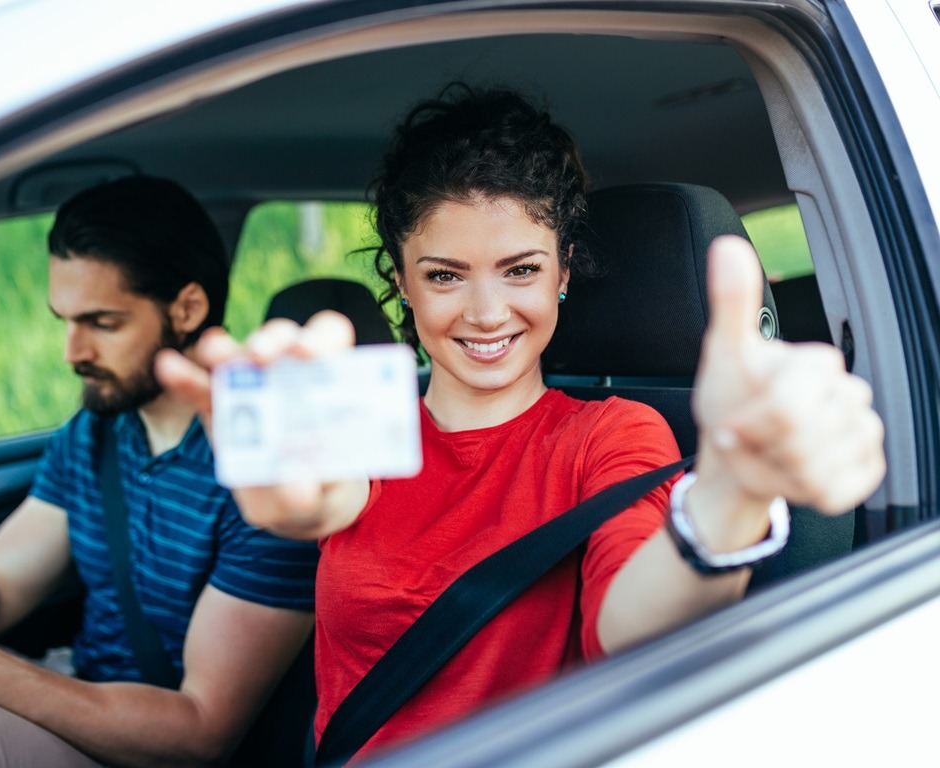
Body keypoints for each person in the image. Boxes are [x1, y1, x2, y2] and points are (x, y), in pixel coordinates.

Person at [157, 86, 887, 760]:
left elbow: (632, 628)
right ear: (403, 280)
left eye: (520, 270)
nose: (485, 313)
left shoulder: (610, 435)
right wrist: (286, 480)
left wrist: (729, 495)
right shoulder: (364, 422)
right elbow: (321, 495)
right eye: (445, 274)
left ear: (564, 272)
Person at [0, 176, 320, 768]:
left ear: (187, 308)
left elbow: (200, 731)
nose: (72, 352)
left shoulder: (268, 480)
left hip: (139, 751)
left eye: (102, 323)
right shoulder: (95, 434)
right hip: (68, 687)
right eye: (66, 320)